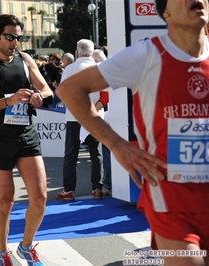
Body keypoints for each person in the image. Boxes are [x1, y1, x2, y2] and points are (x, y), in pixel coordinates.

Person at [56, 1, 209, 265]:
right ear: (166, 12)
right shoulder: (148, 54)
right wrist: (117, 144)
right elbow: (70, 90)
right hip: (171, 201)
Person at [0, 14, 53, 266]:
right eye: (9, 36)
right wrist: (9, 101)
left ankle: (26, 246)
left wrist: (40, 96)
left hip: (25, 134)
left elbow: (48, 89)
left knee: (40, 197)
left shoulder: (26, 59)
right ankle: (2, 251)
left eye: (18, 37)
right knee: (6, 200)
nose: (14, 42)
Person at [56, 39, 107, 201]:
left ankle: (69, 190)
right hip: (95, 117)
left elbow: (64, 94)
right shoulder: (100, 68)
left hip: (74, 117)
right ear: (92, 53)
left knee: (71, 154)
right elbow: (106, 96)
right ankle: (97, 188)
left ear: (77, 52)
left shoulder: (70, 69)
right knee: (96, 154)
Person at [92, 49, 112, 196]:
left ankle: (108, 184)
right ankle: (108, 184)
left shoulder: (102, 72)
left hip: (109, 119)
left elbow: (105, 97)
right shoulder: (111, 69)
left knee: (106, 152)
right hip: (115, 118)